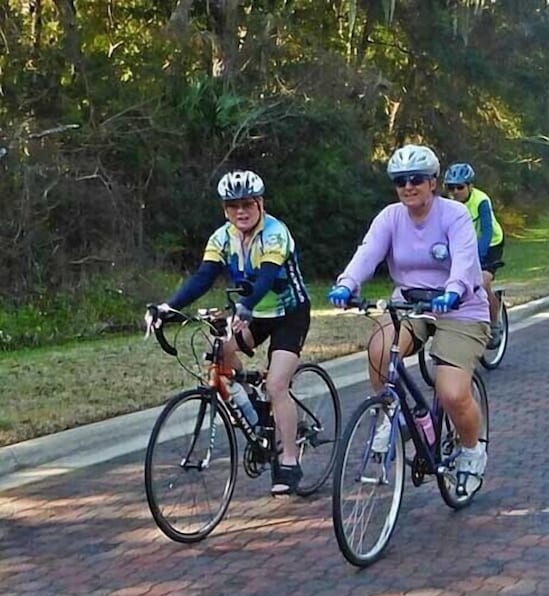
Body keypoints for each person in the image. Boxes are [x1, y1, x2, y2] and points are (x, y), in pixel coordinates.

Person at [327, 144, 489, 495]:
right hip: (410, 305)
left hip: (459, 307)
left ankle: (472, 450)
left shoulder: (454, 214)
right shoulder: (390, 217)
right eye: (400, 181)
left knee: (452, 393)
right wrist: (347, 283)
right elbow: (368, 253)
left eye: (416, 179)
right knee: (379, 349)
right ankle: (392, 414)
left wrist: (454, 290)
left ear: (433, 182)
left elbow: (464, 259)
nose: (408, 186)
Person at [149, 170, 311, 495]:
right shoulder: (221, 238)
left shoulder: (275, 233)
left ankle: (289, 459)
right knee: (219, 353)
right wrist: (167, 307)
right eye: (233, 205)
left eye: (247, 204)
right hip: (252, 314)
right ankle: (255, 408)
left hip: (288, 314)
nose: (241, 211)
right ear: (225, 209)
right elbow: (203, 277)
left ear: (260, 203)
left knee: (277, 384)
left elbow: (267, 277)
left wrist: (245, 305)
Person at [442, 162, 505, 349]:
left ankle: (495, 323)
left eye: (460, 187)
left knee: (482, 282)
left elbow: (486, 232)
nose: (455, 192)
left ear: (470, 186)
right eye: (451, 187)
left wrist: (477, 257)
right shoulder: (448, 204)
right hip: (465, 246)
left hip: (490, 244)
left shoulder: (481, 200)